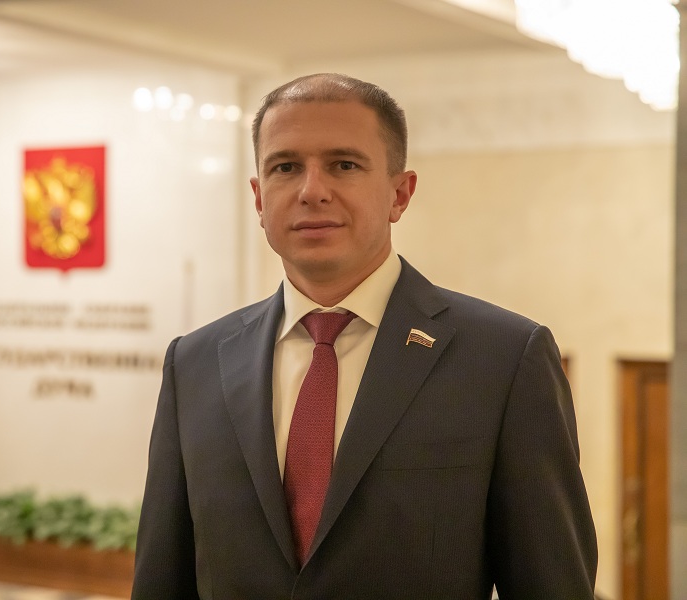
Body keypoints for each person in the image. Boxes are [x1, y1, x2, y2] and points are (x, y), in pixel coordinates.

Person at [132, 73, 597, 599]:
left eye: (344, 165)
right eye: (286, 167)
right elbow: (162, 580)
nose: (312, 191)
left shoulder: (504, 360)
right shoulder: (194, 364)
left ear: (400, 194)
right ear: (259, 199)